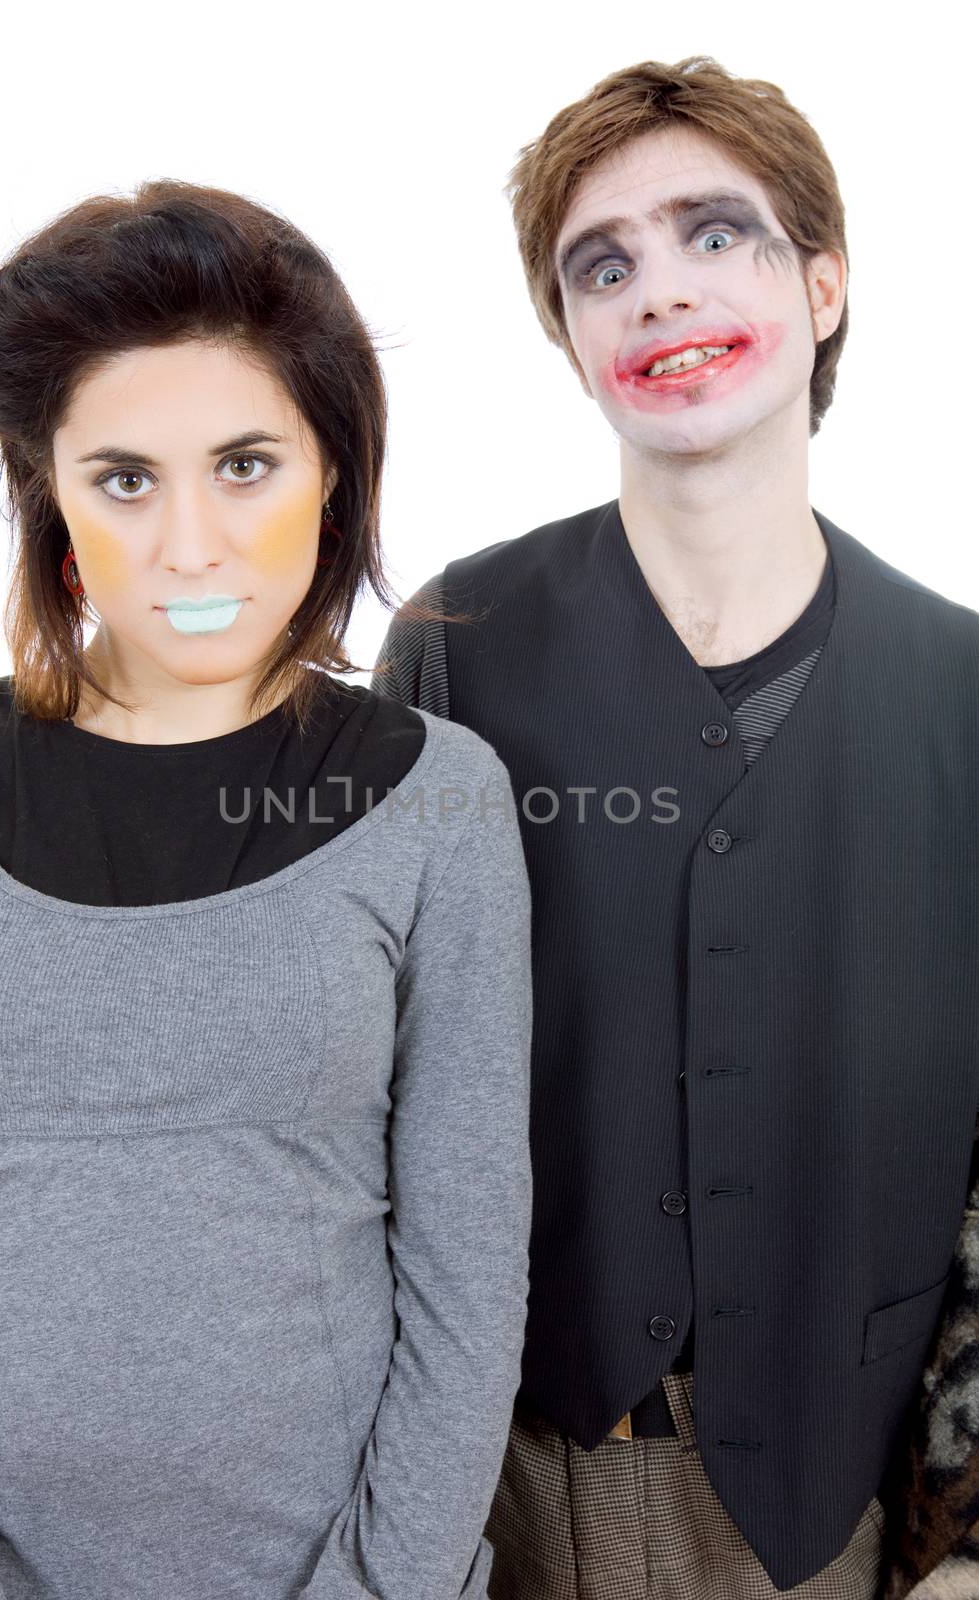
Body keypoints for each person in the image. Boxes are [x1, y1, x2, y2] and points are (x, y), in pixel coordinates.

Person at [372, 54, 979, 1600]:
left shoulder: (966, 692)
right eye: (603, 264)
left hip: (831, 1504)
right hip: (494, 1483)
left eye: (717, 234)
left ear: (824, 287)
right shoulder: (458, 645)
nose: (658, 289)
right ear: (570, 338)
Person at [0, 178, 534, 1600]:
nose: (189, 543)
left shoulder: (438, 794)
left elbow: (466, 1255)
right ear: (53, 501)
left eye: (245, 464)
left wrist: (383, 1587)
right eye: (125, 477)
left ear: (333, 472)